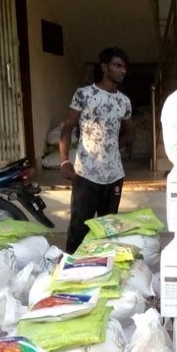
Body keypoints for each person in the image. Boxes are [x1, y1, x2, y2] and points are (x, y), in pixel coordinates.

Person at [58, 46, 132, 254]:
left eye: (124, 67)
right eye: (117, 66)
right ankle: (71, 269)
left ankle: (103, 269)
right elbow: (68, 126)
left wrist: (111, 151)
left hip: (114, 176)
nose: (122, 71)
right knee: (80, 228)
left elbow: (128, 133)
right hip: (86, 174)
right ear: (104, 67)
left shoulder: (124, 101)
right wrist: (65, 160)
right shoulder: (84, 94)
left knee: (109, 231)